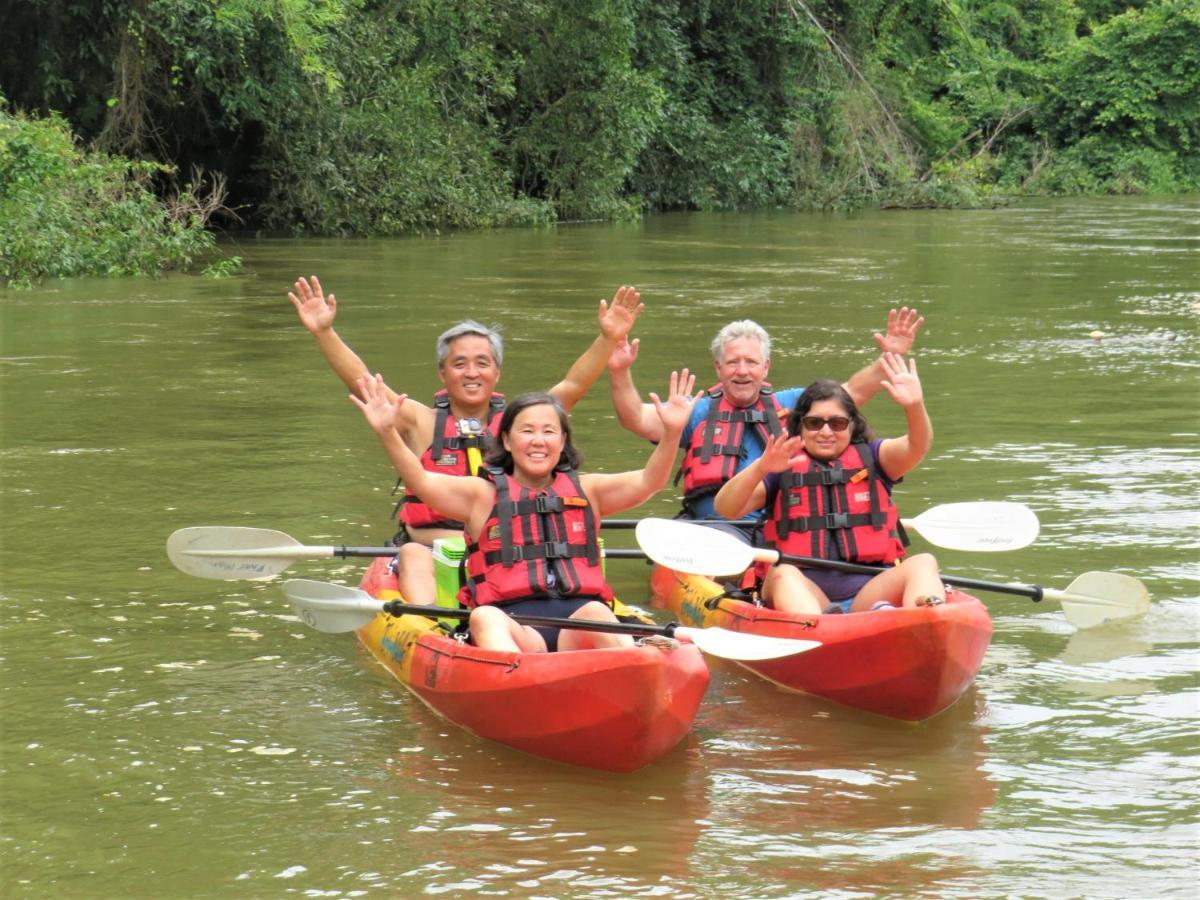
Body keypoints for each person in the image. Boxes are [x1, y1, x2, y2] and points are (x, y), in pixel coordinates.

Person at [289, 275, 644, 604]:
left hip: (503, 550)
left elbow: (572, 386)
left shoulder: (520, 427)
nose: (471, 372)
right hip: (432, 547)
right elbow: (363, 384)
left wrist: (608, 337)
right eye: (459, 364)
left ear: (497, 372)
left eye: (482, 363)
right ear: (443, 373)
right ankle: (433, 627)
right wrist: (324, 332)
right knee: (412, 553)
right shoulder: (420, 421)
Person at [351, 370, 700, 652]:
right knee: (484, 617)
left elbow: (651, 481)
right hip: (516, 632)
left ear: (562, 442)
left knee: (596, 612)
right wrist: (387, 432)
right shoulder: (479, 495)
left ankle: (632, 673)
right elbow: (421, 480)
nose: (538, 441)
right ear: (505, 440)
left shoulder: (589, 489)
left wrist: (672, 433)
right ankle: (514, 686)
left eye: (549, 431)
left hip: (580, 630)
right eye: (527, 431)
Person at [608, 310, 924, 542]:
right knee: (727, 543)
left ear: (766, 367)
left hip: (781, 527)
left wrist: (890, 356)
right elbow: (634, 417)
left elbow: (851, 393)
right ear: (718, 368)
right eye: (733, 362)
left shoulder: (795, 403)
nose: (742, 371)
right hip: (714, 529)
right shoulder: (694, 411)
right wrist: (620, 371)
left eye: (751, 362)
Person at [714, 352, 942, 614]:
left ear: (851, 426)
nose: (825, 432)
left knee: (924, 562)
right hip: (804, 591)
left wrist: (914, 406)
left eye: (837, 423)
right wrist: (761, 467)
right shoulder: (782, 466)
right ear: (800, 426)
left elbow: (917, 446)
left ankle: (915, 618)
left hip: (869, 590)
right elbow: (726, 508)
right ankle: (829, 627)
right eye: (814, 423)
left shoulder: (876, 459)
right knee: (783, 573)